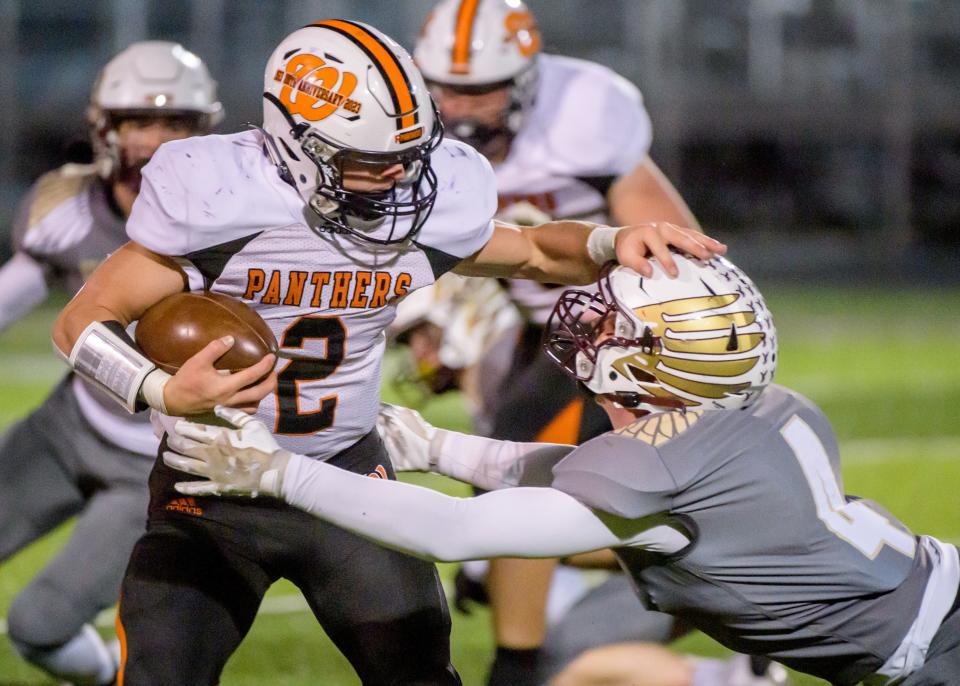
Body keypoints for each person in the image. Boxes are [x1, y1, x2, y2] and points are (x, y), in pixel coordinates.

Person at [50, 19, 723, 685]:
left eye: (412, 154)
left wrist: (610, 243)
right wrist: (164, 393)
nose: (400, 175)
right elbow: (81, 324)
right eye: (371, 161)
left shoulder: (417, 207)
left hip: (348, 473)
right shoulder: (222, 203)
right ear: (296, 145)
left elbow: (537, 249)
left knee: (421, 675)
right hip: (211, 484)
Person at [166, 254, 959, 686]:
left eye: (620, 327)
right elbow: (582, 469)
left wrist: (278, 476)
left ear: (665, 364)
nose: (593, 331)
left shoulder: (669, 468)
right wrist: (440, 450)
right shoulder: (758, 411)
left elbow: (458, 531)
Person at [411, 3, 704, 681]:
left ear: (525, 84)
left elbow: (673, 251)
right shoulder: (406, 134)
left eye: (478, 88)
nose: (456, 105)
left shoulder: (585, 117)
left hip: (617, 323)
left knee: (523, 470)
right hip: (528, 330)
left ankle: (515, 660)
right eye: (444, 86)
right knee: (528, 494)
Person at [0, 41, 221, 686]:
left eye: (174, 124)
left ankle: (99, 678)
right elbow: (17, 288)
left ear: (201, 130)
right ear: (105, 128)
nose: (154, 141)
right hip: (68, 426)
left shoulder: (231, 222)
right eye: (138, 121)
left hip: (152, 462)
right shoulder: (68, 207)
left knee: (39, 625)